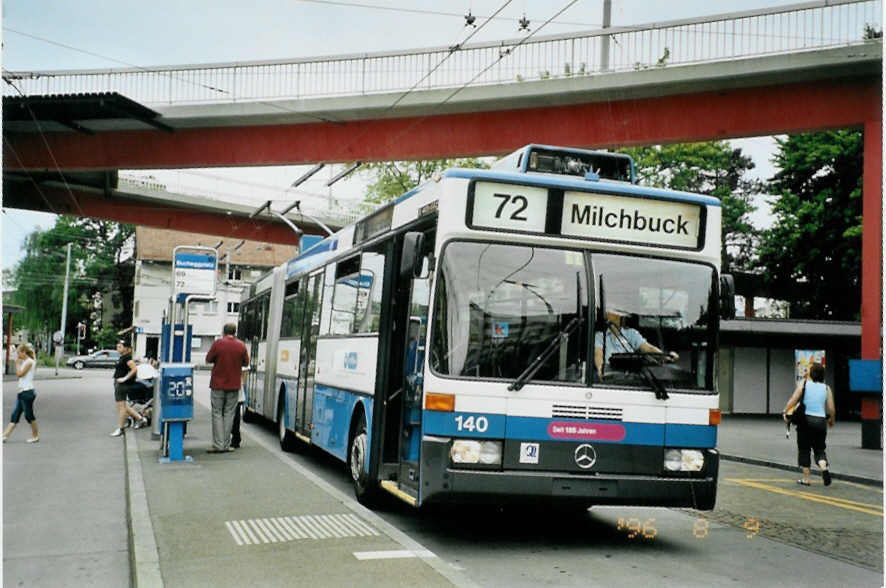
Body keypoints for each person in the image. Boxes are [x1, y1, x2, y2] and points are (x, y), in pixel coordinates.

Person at [783, 362, 835, 486]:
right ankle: (823, 467)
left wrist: (785, 411)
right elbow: (831, 408)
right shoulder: (826, 388)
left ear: (811, 374)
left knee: (804, 449)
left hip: (805, 421)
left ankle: (806, 479)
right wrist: (831, 420)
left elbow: (794, 399)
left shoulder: (804, 384)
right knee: (819, 449)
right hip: (821, 422)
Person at [594, 310, 677, 378]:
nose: (616, 315)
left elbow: (648, 348)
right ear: (606, 316)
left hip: (632, 377)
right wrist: (601, 372)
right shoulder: (600, 336)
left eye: (618, 313)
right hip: (611, 376)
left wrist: (665, 356)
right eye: (611, 312)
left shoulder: (631, 334)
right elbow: (598, 356)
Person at [206, 323, 249, 453]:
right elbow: (246, 362)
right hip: (234, 385)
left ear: (224, 332)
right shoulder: (241, 345)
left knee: (217, 413)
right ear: (235, 332)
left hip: (218, 384)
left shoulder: (218, 343)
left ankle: (218, 445)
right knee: (229, 414)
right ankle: (225, 444)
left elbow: (208, 359)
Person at [3, 343, 39, 443]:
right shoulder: (26, 361)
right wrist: (19, 363)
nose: (17, 355)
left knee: (29, 415)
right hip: (22, 392)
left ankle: (35, 435)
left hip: (27, 392)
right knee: (15, 414)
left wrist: (17, 364)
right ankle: (4, 436)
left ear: (24, 352)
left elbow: (19, 374)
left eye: (18, 353)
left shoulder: (29, 362)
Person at [110, 340, 147, 437]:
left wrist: (124, 378)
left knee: (121, 407)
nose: (118, 348)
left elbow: (134, 369)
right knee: (124, 406)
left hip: (122, 385)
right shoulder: (123, 357)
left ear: (126, 348)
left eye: (120, 346)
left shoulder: (127, 358)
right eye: (117, 346)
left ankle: (121, 428)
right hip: (119, 383)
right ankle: (140, 419)